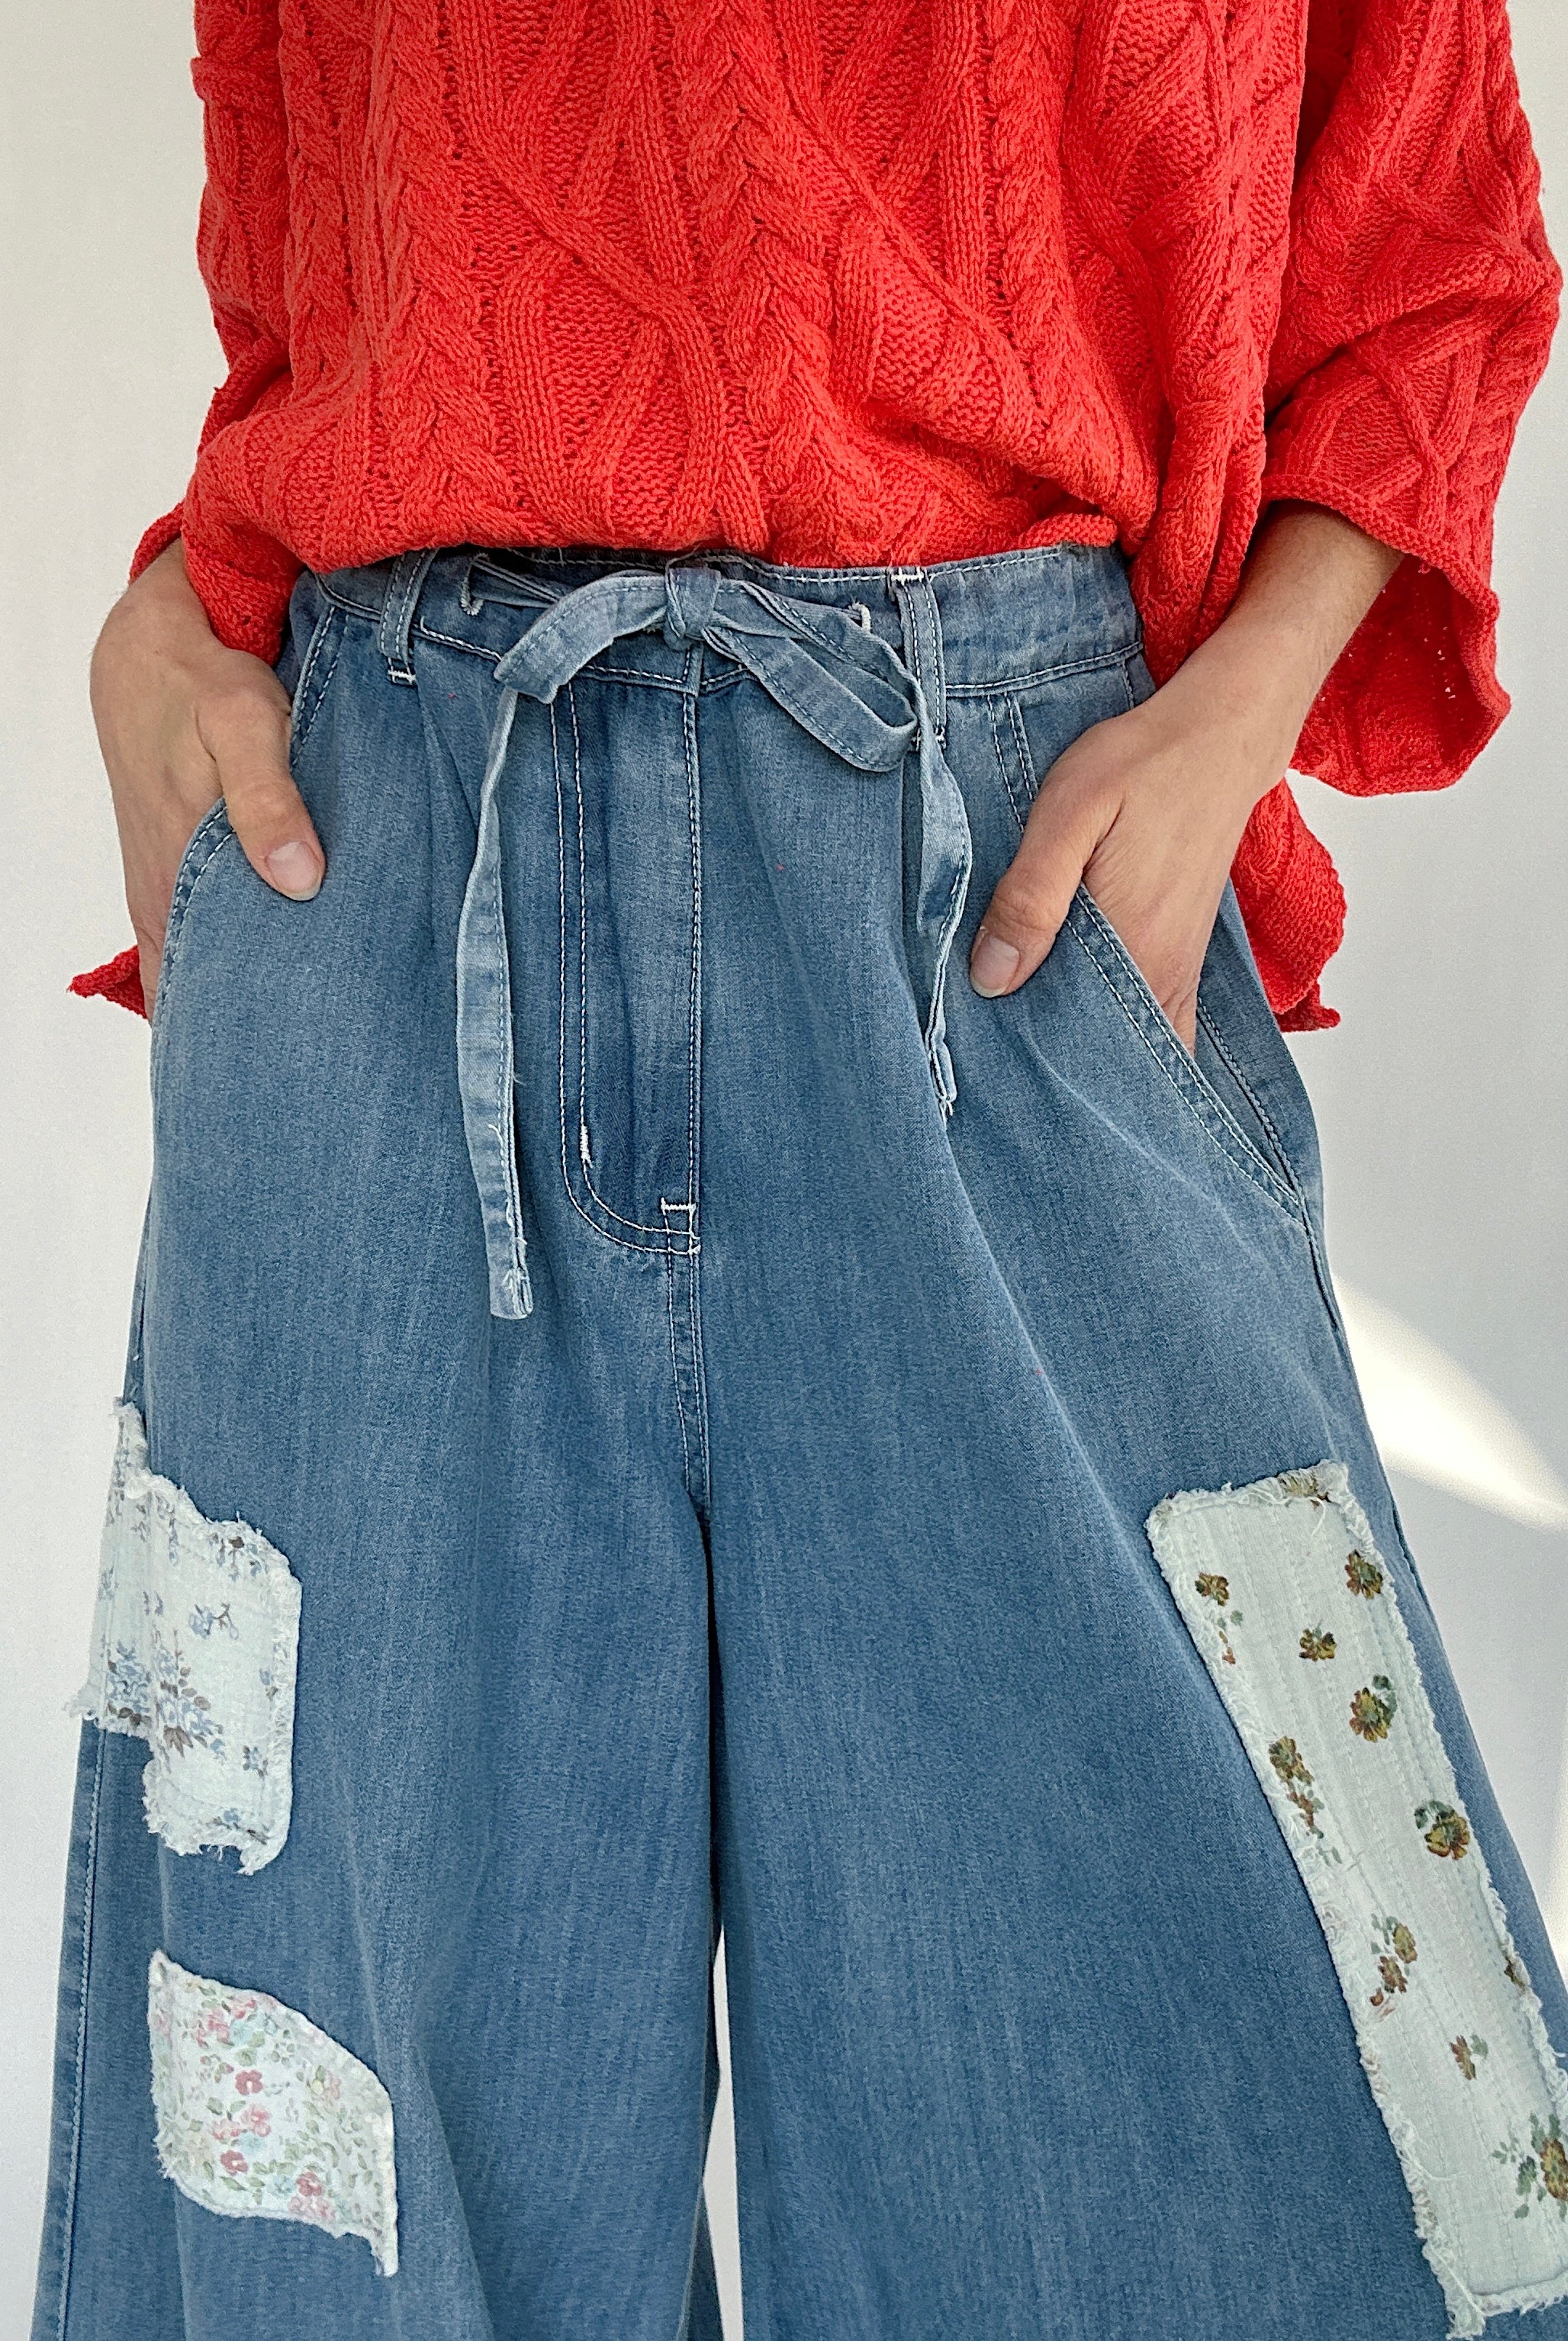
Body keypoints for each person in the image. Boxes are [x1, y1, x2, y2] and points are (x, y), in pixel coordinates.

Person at [34, 0, 1565, 2335]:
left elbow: (1429, 232)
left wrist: (1238, 701)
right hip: (391, 859)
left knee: (1213, 2157)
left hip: (1005, 896)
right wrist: (165, 618)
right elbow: (341, 254)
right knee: (330, 2186)